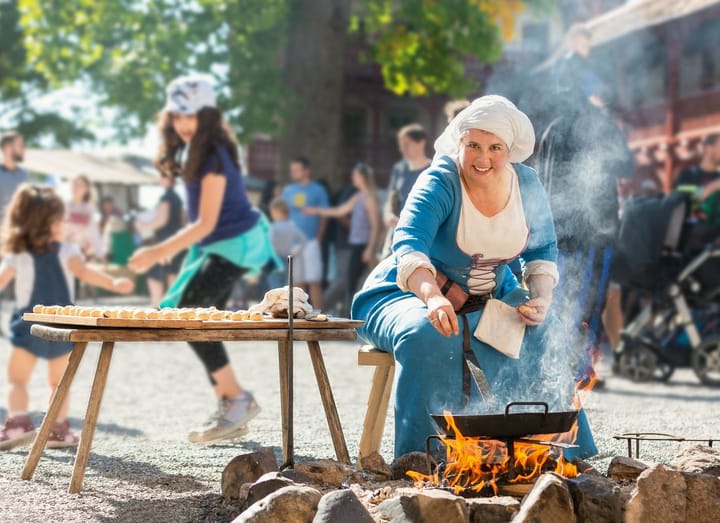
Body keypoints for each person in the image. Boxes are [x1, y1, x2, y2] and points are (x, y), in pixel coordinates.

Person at [351, 96, 596, 460]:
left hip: (493, 291)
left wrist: (541, 298)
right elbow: (409, 244)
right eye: (474, 146)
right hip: (410, 289)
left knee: (545, 329)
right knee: (426, 335)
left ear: (509, 150)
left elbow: (542, 251)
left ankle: (546, 452)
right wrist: (433, 297)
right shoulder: (441, 179)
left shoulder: (526, 184)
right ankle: (423, 458)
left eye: (495, 147)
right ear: (460, 143)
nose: (483, 158)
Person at [128, 74, 280, 443]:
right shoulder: (195, 151)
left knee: (190, 314)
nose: (182, 123)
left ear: (208, 116)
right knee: (202, 323)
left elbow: (207, 222)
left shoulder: (213, 156)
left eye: (190, 116)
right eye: (177, 116)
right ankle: (231, 406)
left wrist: (157, 252)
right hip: (219, 245)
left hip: (237, 244)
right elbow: (202, 222)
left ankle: (236, 399)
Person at [0, 184, 134, 450]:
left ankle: (17, 423)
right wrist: (114, 283)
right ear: (50, 223)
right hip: (63, 325)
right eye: (62, 219)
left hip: (29, 324)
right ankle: (57, 430)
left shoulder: (17, 253)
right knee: (59, 383)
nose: (66, 223)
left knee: (17, 379)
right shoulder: (67, 251)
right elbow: (85, 273)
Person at [304, 162, 381, 314]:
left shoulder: (370, 199)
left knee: (354, 282)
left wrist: (370, 249)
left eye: (355, 175)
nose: (353, 177)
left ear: (362, 177)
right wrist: (317, 211)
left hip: (363, 245)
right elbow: (340, 211)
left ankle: (351, 314)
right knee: (351, 282)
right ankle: (350, 313)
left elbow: (375, 226)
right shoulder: (358, 197)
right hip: (355, 244)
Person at [281, 156, 329, 310]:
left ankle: (319, 313)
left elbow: (324, 215)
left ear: (307, 171)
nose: (293, 173)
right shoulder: (288, 191)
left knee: (314, 280)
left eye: (297, 169)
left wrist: (318, 238)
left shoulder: (318, 190)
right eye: (292, 170)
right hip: (294, 243)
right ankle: (301, 313)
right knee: (297, 281)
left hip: (310, 241)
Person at [135, 175, 186, 306]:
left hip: (165, 242)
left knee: (154, 277)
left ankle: (156, 307)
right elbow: (183, 220)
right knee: (173, 278)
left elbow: (162, 220)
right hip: (178, 242)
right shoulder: (178, 198)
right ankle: (171, 310)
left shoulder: (166, 197)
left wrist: (143, 227)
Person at [381, 124, 431, 257]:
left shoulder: (432, 170)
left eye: (407, 144)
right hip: (395, 233)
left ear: (421, 143)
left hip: (421, 236)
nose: (402, 148)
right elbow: (390, 197)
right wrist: (388, 215)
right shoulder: (399, 169)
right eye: (401, 144)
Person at [0, 130, 28, 336]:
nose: (22, 149)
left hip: (18, 236)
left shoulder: (23, 175)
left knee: (24, 277)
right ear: (8, 147)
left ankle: (18, 321)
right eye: (19, 145)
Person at [266, 197, 306, 289]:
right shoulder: (291, 226)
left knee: (274, 286)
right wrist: (296, 252)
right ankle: (283, 303)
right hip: (287, 259)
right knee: (284, 286)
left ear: (276, 211)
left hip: (275, 259)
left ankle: (277, 303)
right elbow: (303, 240)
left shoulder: (275, 226)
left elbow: (269, 241)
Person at [65, 175, 105, 261]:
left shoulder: (89, 208)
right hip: (66, 251)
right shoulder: (65, 206)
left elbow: (94, 233)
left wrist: (100, 254)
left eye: (80, 185)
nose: (76, 187)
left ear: (87, 189)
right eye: (74, 184)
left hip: (83, 252)